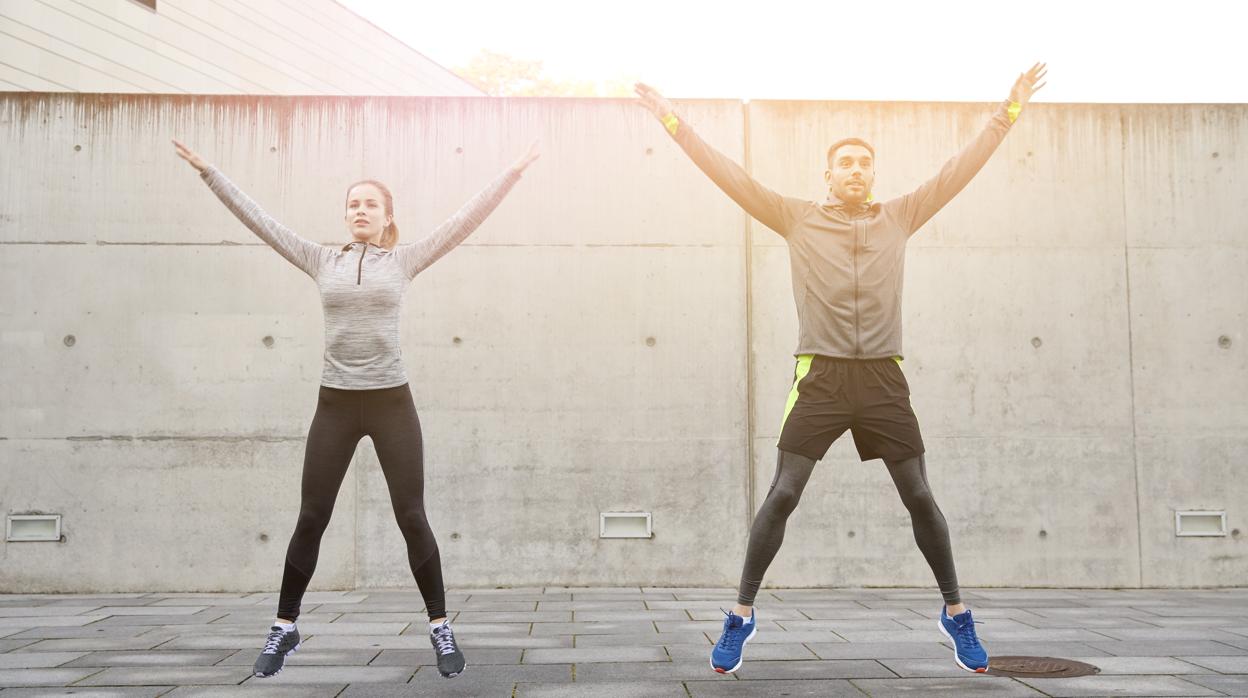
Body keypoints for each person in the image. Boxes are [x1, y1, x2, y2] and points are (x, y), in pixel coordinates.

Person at [635, 63, 1046, 675]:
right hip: (821, 377)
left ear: (872, 174)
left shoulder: (900, 215)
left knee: (920, 497)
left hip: (883, 378)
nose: (856, 170)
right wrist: (672, 119)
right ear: (829, 175)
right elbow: (728, 174)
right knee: (783, 493)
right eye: (845, 163)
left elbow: (960, 169)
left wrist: (1007, 111)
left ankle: (957, 614)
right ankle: (741, 615)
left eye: (864, 162)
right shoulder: (797, 217)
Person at [172, 138, 540, 679]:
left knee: (411, 515)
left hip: (392, 403)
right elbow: (261, 222)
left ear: (387, 216)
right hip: (336, 405)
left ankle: (440, 627)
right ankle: (285, 626)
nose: (360, 210)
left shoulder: (404, 260)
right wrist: (210, 174)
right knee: (311, 517)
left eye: (370, 204)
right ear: (346, 216)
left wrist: (510, 173)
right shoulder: (320, 260)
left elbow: (465, 220)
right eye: (352, 204)